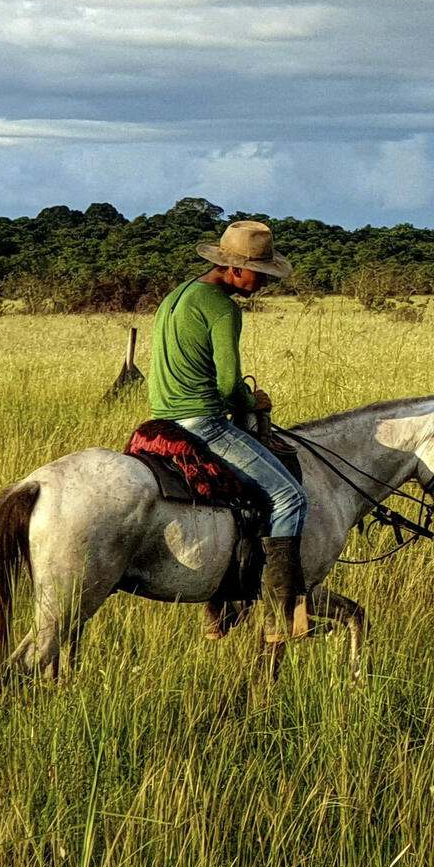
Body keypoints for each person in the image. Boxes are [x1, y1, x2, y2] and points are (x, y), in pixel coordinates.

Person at [149, 218, 311, 642]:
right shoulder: (222, 308)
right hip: (201, 422)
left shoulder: (175, 296)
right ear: (235, 268)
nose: (262, 283)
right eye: (259, 273)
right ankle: (281, 615)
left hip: (160, 421)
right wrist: (252, 401)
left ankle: (221, 603)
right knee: (288, 495)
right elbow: (226, 385)